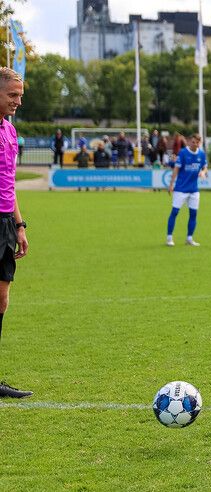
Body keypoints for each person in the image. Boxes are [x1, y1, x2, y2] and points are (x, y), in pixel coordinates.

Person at [0, 68, 31, 398]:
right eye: (12, 95)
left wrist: (19, 225)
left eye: (20, 95)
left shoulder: (9, 130)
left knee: (2, 298)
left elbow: (8, 185)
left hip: (6, 224)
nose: (18, 101)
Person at [166, 134, 208, 247]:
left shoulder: (201, 154)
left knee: (193, 214)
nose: (195, 144)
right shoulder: (183, 153)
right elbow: (176, 169)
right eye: (193, 142)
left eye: (197, 142)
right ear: (190, 141)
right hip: (181, 189)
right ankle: (169, 237)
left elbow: (205, 166)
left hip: (194, 190)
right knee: (174, 212)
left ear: (200, 143)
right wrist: (171, 185)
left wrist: (203, 172)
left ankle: (189, 238)